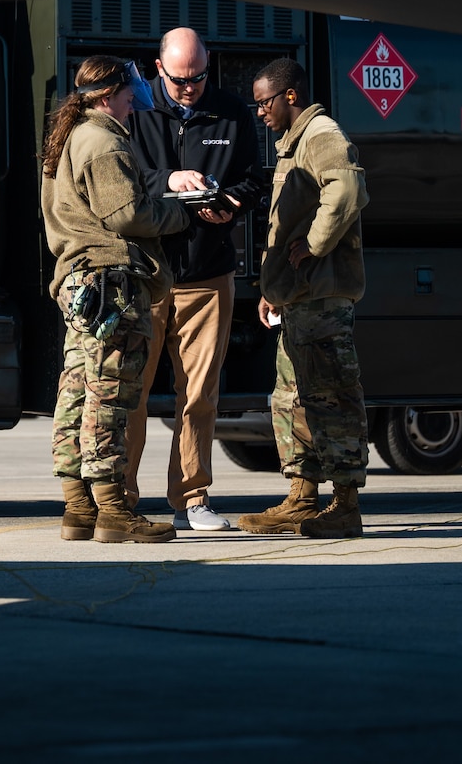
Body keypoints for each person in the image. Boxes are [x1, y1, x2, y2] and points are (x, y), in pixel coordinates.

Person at [42, 54, 191, 544]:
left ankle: (77, 507)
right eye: (128, 94)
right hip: (110, 284)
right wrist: (180, 213)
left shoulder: (68, 138)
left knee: (78, 392)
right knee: (112, 395)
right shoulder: (103, 141)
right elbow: (128, 214)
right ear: (109, 95)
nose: (134, 101)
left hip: (78, 281)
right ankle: (112, 510)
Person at [127, 28, 268, 532]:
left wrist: (228, 203)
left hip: (208, 274)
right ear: (158, 68)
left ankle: (192, 499)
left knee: (200, 394)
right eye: (180, 79)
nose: (190, 88)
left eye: (199, 77)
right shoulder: (134, 112)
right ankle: (121, 498)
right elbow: (118, 178)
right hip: (146, 273)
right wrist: (169, 179)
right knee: (133, 393)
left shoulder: (232, 112)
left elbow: (256, 180)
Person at [237, 58, 371, 539]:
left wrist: (314, 244)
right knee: (292, 399)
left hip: (322, 300)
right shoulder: (297, 143)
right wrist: (274, 291)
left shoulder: (321, 134)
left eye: (264, 102)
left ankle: (345, 503)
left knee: (331, 396)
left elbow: (348, 188)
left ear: (289, 96)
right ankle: (302, 496)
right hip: (299, 300)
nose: (259, 113)